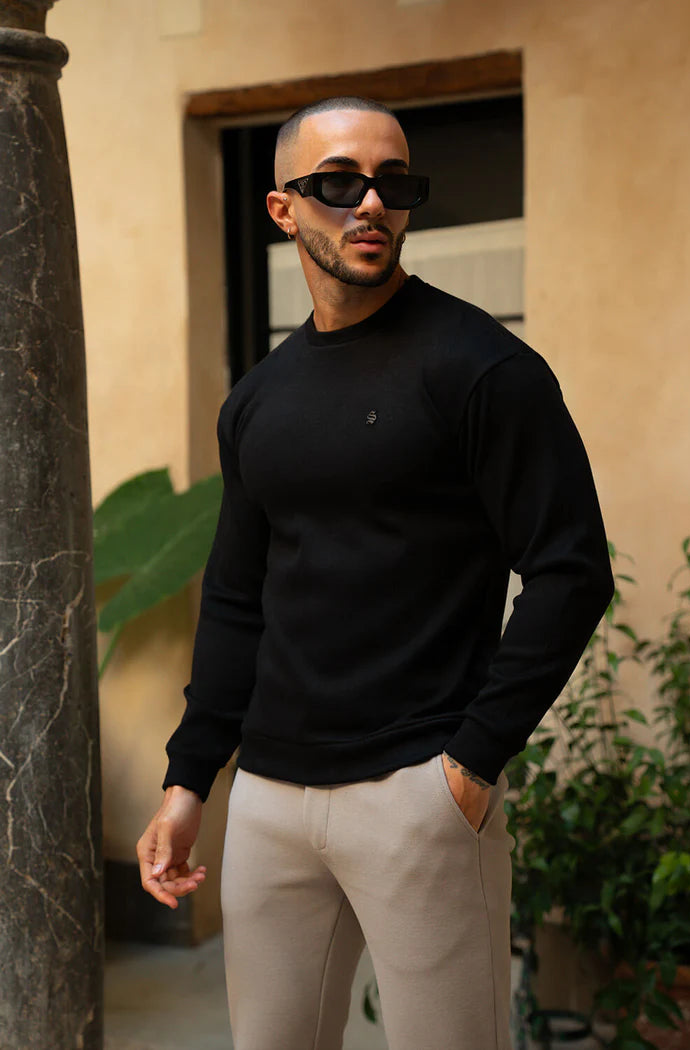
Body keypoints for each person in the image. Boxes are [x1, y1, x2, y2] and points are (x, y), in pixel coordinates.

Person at [137, 96, 614, 1050]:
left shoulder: (483, 368)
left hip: (418, 793)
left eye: (393, 183)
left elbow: (571, 570)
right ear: (283, 209)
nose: (370, 203)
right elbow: (236, 597)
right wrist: (190, 781)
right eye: (338, 181)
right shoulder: (258, 400)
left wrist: (470, 766)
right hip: (269, 800)